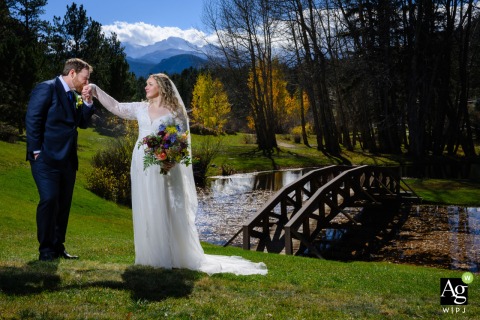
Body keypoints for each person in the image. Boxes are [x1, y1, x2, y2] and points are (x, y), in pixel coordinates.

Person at [87, 73, 267, 275]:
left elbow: (181, 140)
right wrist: (95, 90)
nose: (145, 87)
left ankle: (171, 255)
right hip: (141, 163)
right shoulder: (140, 108)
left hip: (165, 166)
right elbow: (117, 107)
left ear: (162, 87)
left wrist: (170, 158)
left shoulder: (175, 112)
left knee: (165, 206)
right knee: (145, 205)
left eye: (150, 84)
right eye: (146, 84)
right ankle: (149, 256)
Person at [26, 58, 95, 261]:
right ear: (72, 73)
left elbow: (81, 123)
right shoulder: (46, 88)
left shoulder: (74, 95)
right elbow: (33, 118)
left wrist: (88, 102)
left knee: (63, 204)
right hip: (46, 159)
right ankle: (45, 249)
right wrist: (36, 150)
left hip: (68, 160)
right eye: (85, 78)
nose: (87, 82)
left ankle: (58, 246)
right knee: (49, 200)